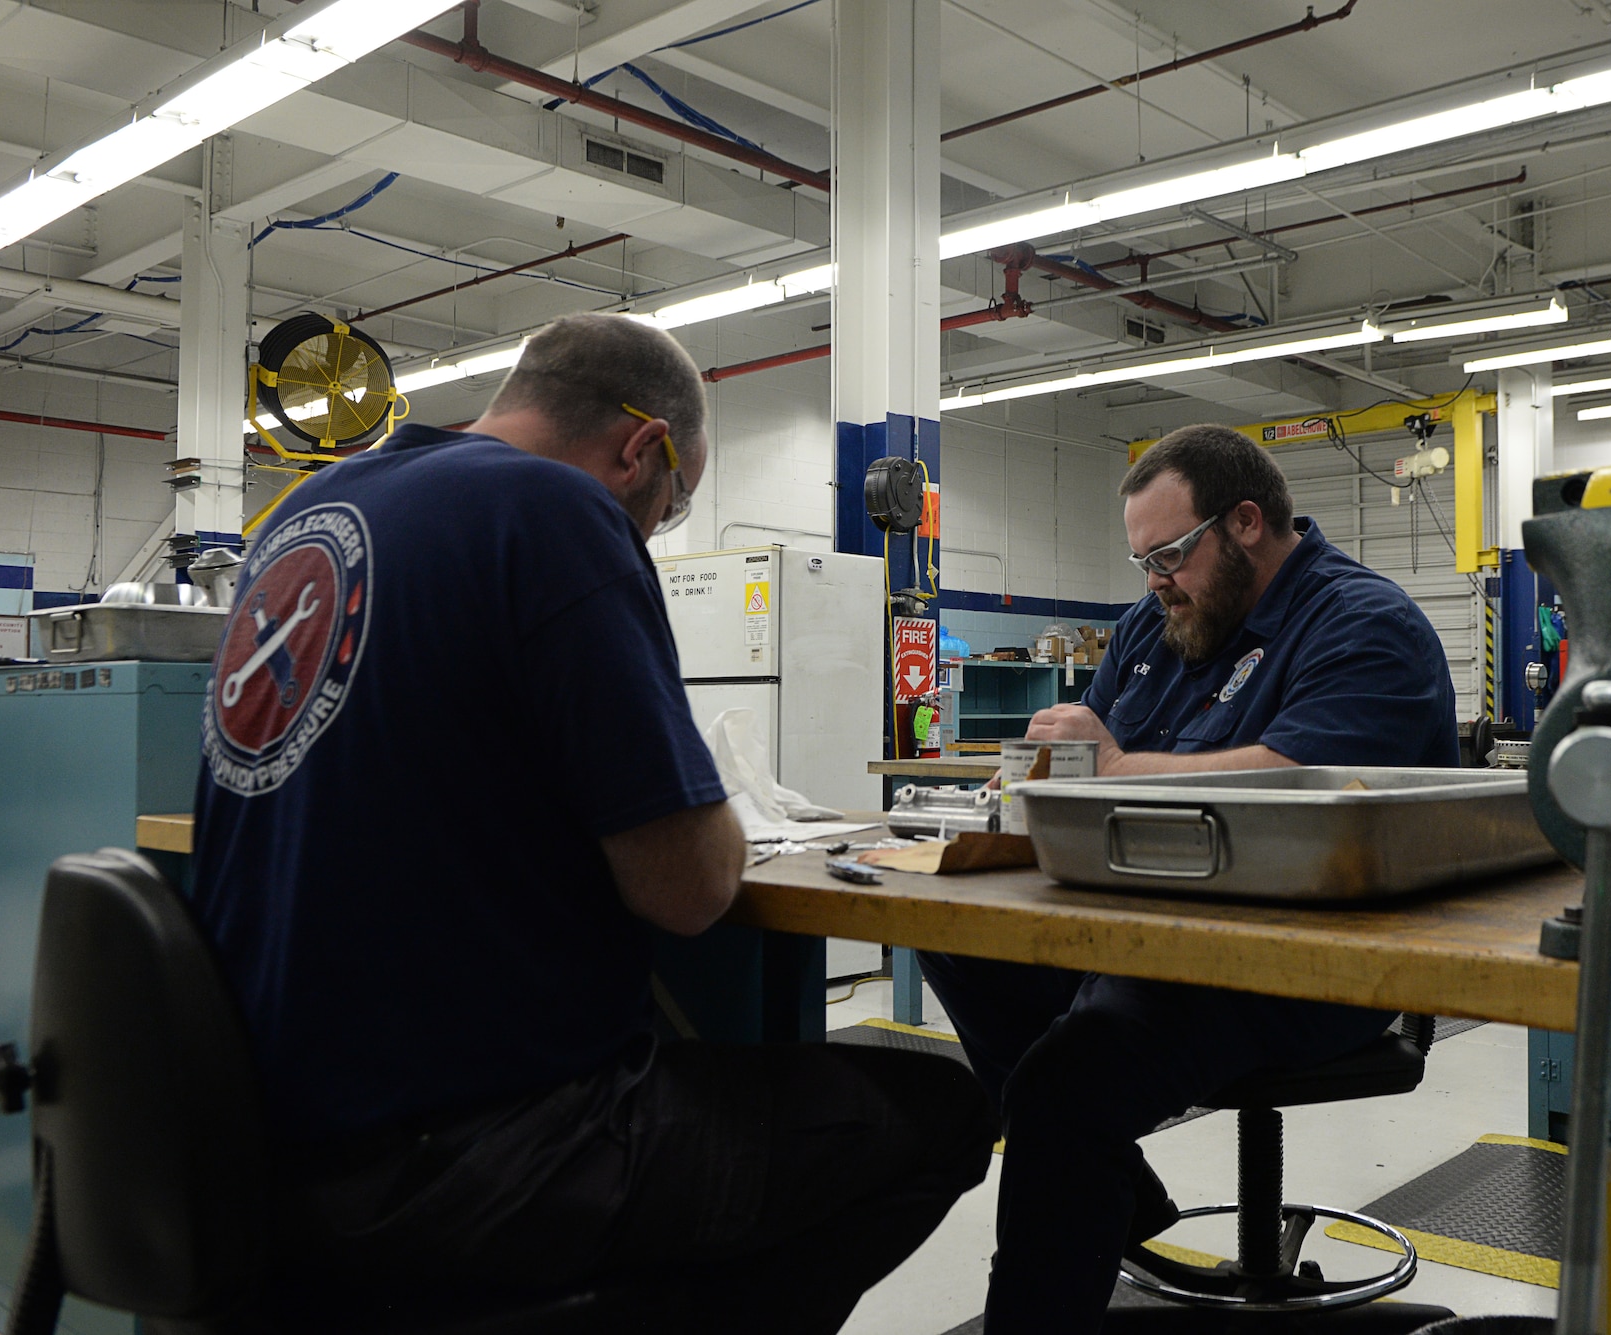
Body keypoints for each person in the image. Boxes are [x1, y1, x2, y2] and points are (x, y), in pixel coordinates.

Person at [192, 312, 995, 1333]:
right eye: (669, 511)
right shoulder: (552, 509)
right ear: (641, 451)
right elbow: (690, 888)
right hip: (472, 1152)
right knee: (939, 1113)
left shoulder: (307, 512)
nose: (655, 531)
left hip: (266, 1143)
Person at [918, 423, 1458, 1334]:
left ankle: (1074, 1182)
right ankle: (1107, 1183)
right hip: (1145, 933)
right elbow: (1088, 748)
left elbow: (1298, 790)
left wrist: (1114, 765)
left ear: (1246, 522)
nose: (1156, 579)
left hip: (1293, 960)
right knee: (957, 942)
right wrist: (1033, 778)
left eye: (1169, 553)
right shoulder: (1157, 619)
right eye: (1143, 562)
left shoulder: (1366, 626)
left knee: (1065, 1084)